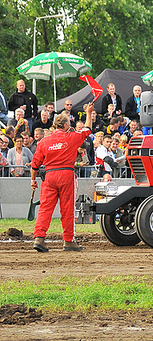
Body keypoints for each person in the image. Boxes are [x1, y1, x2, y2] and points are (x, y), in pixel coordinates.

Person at [30, 103, 94, 252]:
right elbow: (87, 130)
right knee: (67, 208)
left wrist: (33, 181)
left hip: (49, 176)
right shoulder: (71, 137)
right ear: (65, 125)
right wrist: (89, 113)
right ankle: (68, 240)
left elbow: (34, 165)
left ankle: (39, 238)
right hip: (66, 174)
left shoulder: (44, 141)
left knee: (45, 208)